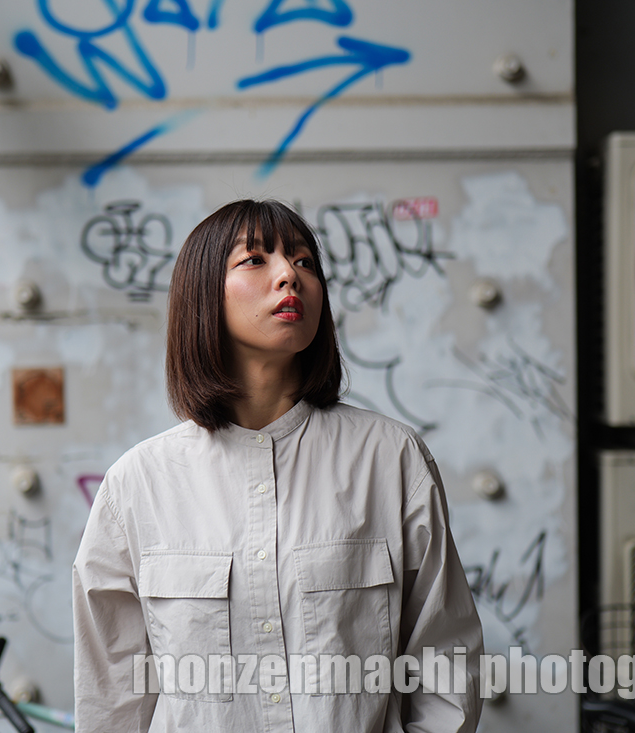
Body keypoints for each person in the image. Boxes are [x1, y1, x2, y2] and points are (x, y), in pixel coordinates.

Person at [72, 199, 483, 732]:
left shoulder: (390, 459)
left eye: (304, 261)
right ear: (202, 294)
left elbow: (444, 661)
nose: (290, 274)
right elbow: (111, 698)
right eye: (255, 260)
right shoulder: (137, 485)